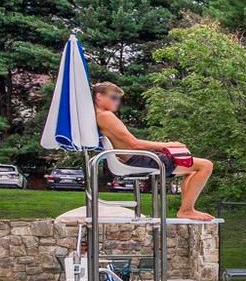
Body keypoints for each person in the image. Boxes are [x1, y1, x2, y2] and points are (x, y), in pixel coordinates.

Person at [91, 81, 216, 221]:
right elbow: (134, 144)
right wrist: (167, 146)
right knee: (206, 165)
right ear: (99, 96)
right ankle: (186, 210)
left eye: (119, 98)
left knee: (191, 170)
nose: (117, 102)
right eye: (114, 97)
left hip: (135, 158)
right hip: (137, 159)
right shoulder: (106, 116)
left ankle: (187, 208)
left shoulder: (99, 116)